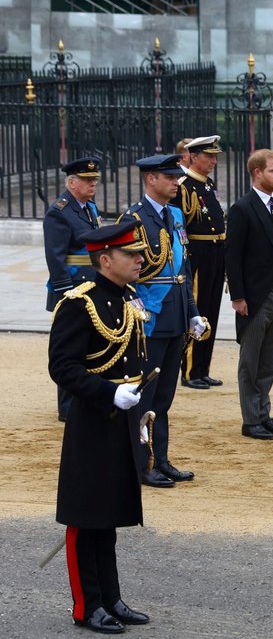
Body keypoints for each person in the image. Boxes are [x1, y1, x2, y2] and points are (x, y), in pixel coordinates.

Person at [49, 219, 153, 634]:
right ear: (106, 259)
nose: (140, 259)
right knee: (85, 517)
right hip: (92, 421)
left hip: (122, 419)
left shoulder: (126, 298)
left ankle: (111, 598)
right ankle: (86, 605)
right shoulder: (80, 303)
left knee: (108, 514)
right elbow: (62, 367)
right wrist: (108, 393)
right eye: (132, 254)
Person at [121, 154, 208, 488]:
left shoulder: (174, 215)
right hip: (150, 318)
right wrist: (137, 309)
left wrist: (193, 311)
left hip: (174, 315)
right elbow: (126, 273)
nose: (176, 183)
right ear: (150, 179)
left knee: (165, 397)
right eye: (170, 178)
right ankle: (142, 463)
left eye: (177, 177)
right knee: (146, 395)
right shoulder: (134, 218)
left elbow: (182, 271)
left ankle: (161, 457)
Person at [225, 149, 273, 440]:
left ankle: (263, 412)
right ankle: (250, 418)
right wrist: (238, 296)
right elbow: (233, 255)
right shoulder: (242, 208)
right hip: (254, 294)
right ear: (257, 173)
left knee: (269, 357)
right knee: (251, 359)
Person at [43, 157, 103, 422]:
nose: (92, 184)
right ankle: (67, 407)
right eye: (87, 180)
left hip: (90, 284)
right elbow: (55, 258)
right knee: (70, 348)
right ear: (72, 182)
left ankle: (85, 398)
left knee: (89, 346)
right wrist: (66, 292)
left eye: (94, 180)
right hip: (72, 287)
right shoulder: (60, 211)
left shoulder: (88, 207)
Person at [177, 135, 226, 390]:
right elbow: (181, 227)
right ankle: (190, 368)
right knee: (197, 311)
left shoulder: (207, 184)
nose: (213, 161)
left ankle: (203, 367)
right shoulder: (184, 186)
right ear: (194, 157)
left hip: (215, 254)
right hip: (198, 255)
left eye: (215, 156)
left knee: (212, 312)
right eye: (209, 156)